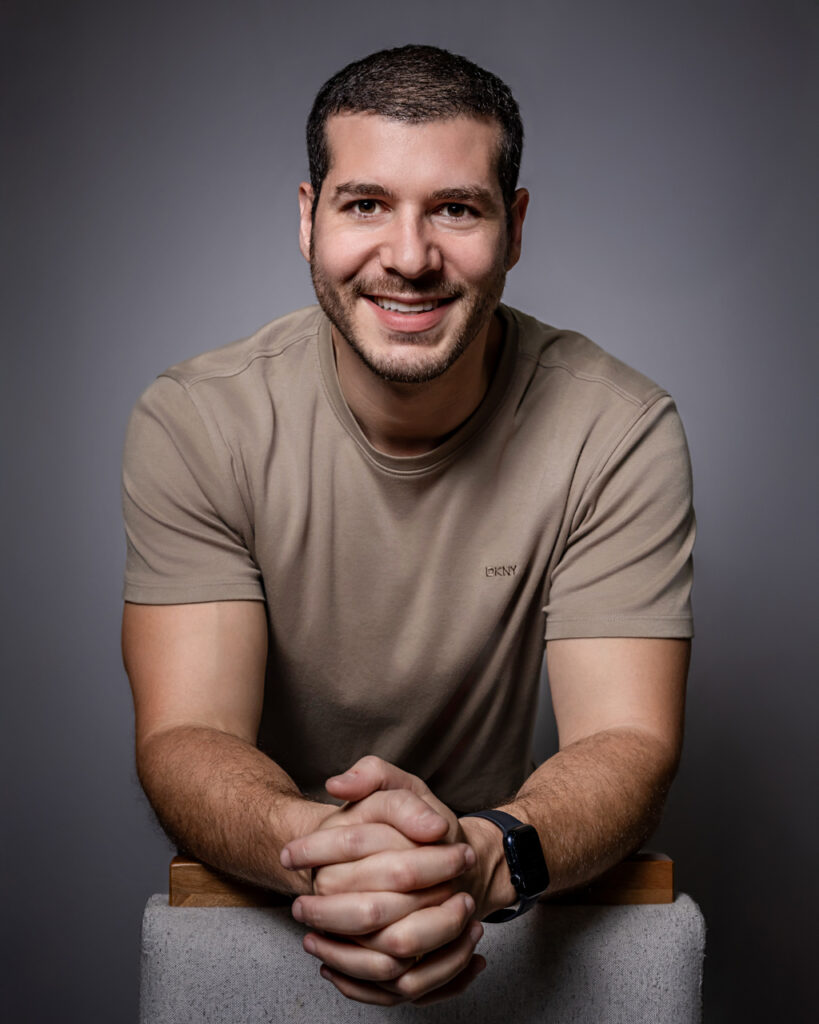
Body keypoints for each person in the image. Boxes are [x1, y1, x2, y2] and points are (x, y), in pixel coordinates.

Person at [121, 45, 694, 1007]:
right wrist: (325, 848)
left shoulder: (617, 429)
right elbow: (186, 732)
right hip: (274, 898)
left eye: (456, 209)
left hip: (498, 892)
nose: (410, 256)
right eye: (365, 204)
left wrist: (480, 858)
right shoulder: (196, 422)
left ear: (514, 228)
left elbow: (628, 740)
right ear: (308, 218)